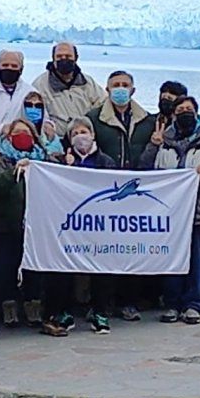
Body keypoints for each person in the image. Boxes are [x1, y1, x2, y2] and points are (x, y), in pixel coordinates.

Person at [141, 96, 200, 325]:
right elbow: (144, 169)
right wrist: (153, 145)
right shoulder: (163, 141)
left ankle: (194, 304)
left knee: (197, 260)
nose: (185, 112)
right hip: (170, 214)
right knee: (172, 260)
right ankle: (172, 304)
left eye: (189, 109)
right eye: (181, 109)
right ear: (173, 114)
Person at [87, 71, 156, 322]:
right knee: (104, 250)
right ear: (106, 90)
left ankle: (129, 302)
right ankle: (100, 305)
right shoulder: (94, 118)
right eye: (115, 85)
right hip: (105, 194)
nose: (120, 89)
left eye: (125, 85)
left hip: (135, 196)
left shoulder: (146, 121)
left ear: (133, 90)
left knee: (131, 248)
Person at [0, 119, 48, 347]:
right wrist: (15, 171)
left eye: (27, 132)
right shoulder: (0, 160)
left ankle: (42, 314)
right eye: (17, 133)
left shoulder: (45, 162)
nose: (22, 135)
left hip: (39, 230)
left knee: (40, 273)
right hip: (9, 225)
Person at [60, 117, 117, 334]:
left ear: (93, 134)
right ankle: (63, 311)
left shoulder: (106, 161)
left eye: (84, 131)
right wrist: (67, 167)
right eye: (74, 134)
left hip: (99, 224)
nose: (80, 136)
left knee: (101, 269)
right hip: (70, 225)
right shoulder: (62, 161)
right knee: (64, 266)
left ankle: (100, 312)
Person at [32, 41, 106, 137]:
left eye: (68, 56)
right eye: (59, 56)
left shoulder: (87, 82)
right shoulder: (40, 85)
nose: (64, 59)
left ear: (76, 58)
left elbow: (102, 103)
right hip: (57, 140)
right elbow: (35, 114)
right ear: (53, 59)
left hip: (86, 138)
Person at [22, 90, 65, 159]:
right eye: (29, 105)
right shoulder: (16, 131)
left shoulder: (51, 135)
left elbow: (58, 153)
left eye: (38, 106)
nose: (33, 108)